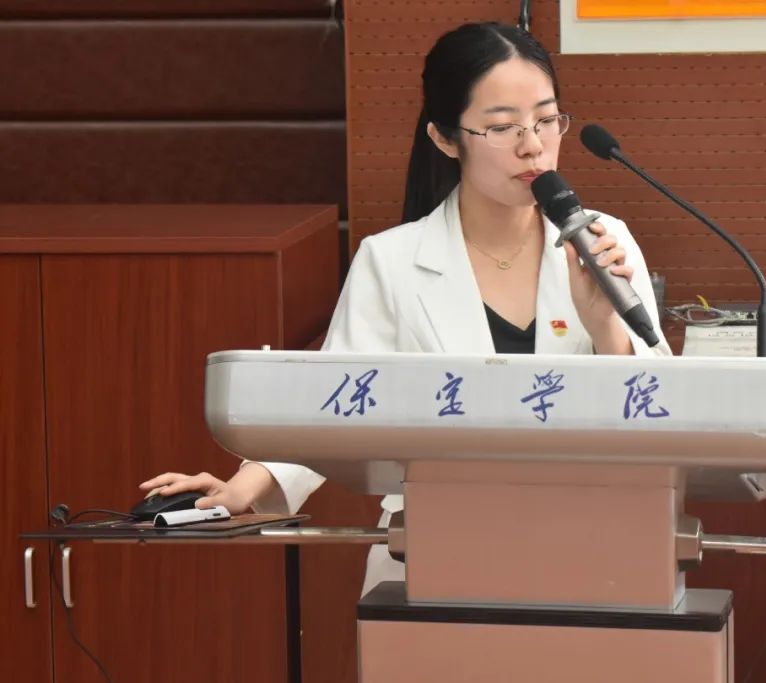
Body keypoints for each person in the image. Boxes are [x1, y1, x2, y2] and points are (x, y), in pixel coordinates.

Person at [139, 21, 671, 594]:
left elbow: (661, 413)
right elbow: (333, 405)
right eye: (502, 127)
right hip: (435, 553)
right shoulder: (390, 260)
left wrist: (605, 327)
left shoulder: (601, 241)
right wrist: (242, 488)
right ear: (445, 138)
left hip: (585, 547)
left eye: (546, 119)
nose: (532, 145)